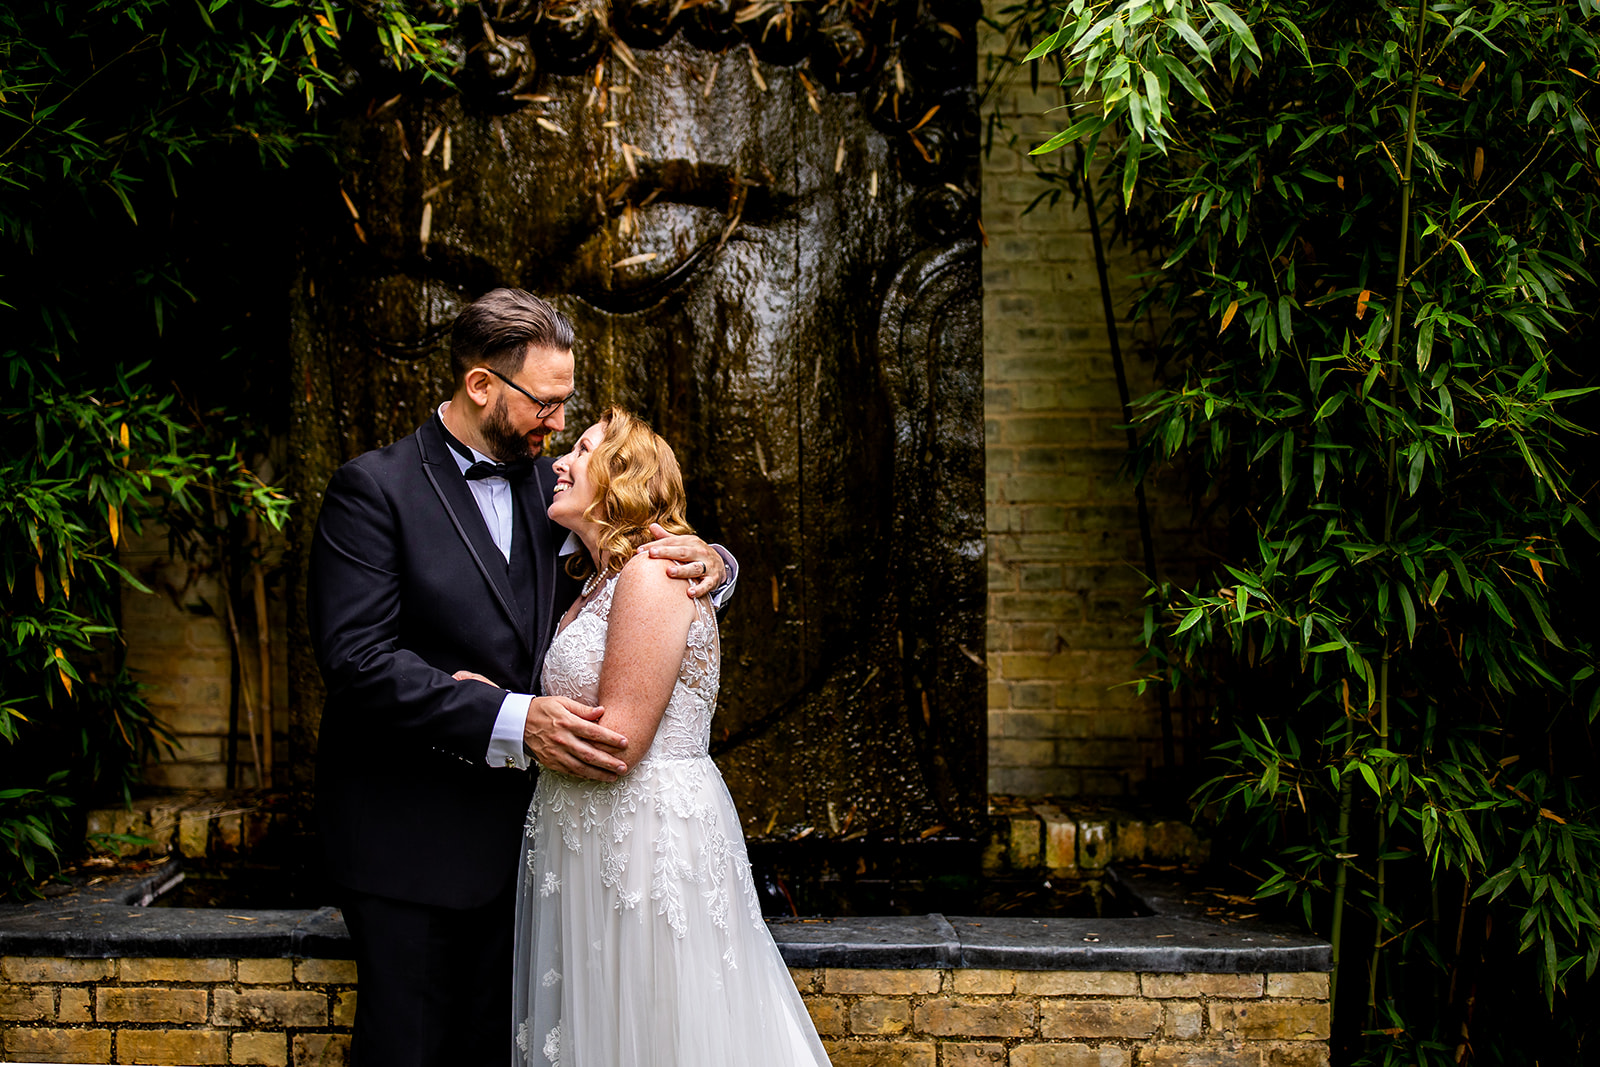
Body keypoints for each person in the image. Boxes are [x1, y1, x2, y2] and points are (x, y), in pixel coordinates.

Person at [308, 289, 735, 1067]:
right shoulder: (373, 491)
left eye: (567, 402)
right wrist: (512, 717)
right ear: (481, 386)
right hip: (414, 841)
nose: (560, 423)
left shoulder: (559, 488)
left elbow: (634, 566)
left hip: (546, 852)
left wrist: (716, 565)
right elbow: (357, 662)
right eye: (546, 401)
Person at [512, 407, 830, 1067]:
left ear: (621, 478)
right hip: (591, 842)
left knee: (661, 1030)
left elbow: (618, 743)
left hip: (643, 840)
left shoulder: (652, 574)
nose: (559, 463)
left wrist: (499, 710)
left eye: (583, 448)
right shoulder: (591, 580)